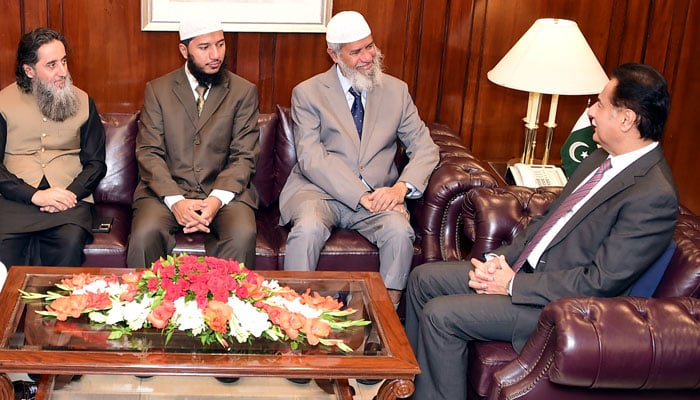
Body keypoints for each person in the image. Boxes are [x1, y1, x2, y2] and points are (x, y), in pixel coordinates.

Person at [404, 62, 679, 399]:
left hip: (560, 308)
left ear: (626, 119)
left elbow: (600, 283)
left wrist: (514, 284)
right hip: (526, 274)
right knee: (423, 280)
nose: (591, 111)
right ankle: (410, 389)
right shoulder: (599, 159)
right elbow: (547, 224)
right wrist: (498, 261)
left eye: (600, 104)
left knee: (440, 315)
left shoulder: (653, 196)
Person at [279, 11, 440, 307]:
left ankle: (382, 321)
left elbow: (425, 148)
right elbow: (312, 157)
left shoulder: (397, 91)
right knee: (308, 230)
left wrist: (400, 189)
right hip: (319, 192)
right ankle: (296, 317)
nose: (367, 57)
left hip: (380, 197)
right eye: (356, 51)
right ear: (334, 54)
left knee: (399, 232)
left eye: (370, 46)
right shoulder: (308, 93)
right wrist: (360, 195)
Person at [126, 15, 260, 268]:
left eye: (220, 44)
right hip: (165, 192)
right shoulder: (158, 90)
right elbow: (149, 152)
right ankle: (148, 307)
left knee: (243, 234)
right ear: (184, 50)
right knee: (145, 235)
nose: (215, 54)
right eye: (204, 47)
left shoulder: (243, 92)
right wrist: (176, 201)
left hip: (223, 193)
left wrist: (215, 200)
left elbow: (244, 155)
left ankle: (227, 307)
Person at [0, 28, 106, 268]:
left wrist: (70, 194)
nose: (63, 72)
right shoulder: (2, 104)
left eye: (64, 61)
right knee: (4, 249)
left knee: (69, 243)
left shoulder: (83, 101)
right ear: (29, 71)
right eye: (52, 65)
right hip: (14, 201)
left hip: (69, 201)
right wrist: (34, 195)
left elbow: (96, 163)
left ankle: (61, 307)